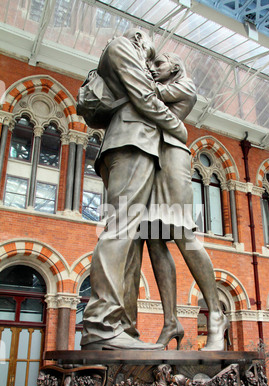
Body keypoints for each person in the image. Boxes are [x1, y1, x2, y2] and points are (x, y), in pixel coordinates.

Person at [80, 30, 188, 350]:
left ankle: (122, 328)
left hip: (136, 146)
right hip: (131, 143)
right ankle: (102, 321)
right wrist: (177, 128)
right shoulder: (122, 47)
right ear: (140, 40)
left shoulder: (127, 54)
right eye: (150, 55)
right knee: (120, 230)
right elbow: (144, 96)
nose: (150, 64)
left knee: (131, 241)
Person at [135, 52, 229, 351]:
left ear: (174, 67)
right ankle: (170, 321)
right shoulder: (164, 81)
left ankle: (215, 313)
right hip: (150, 159)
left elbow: (147, 96)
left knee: (182, 233)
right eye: (150, 65)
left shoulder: (184, 85)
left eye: (158, 64)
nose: (152, 68)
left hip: (173, 158)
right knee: (153, 239)